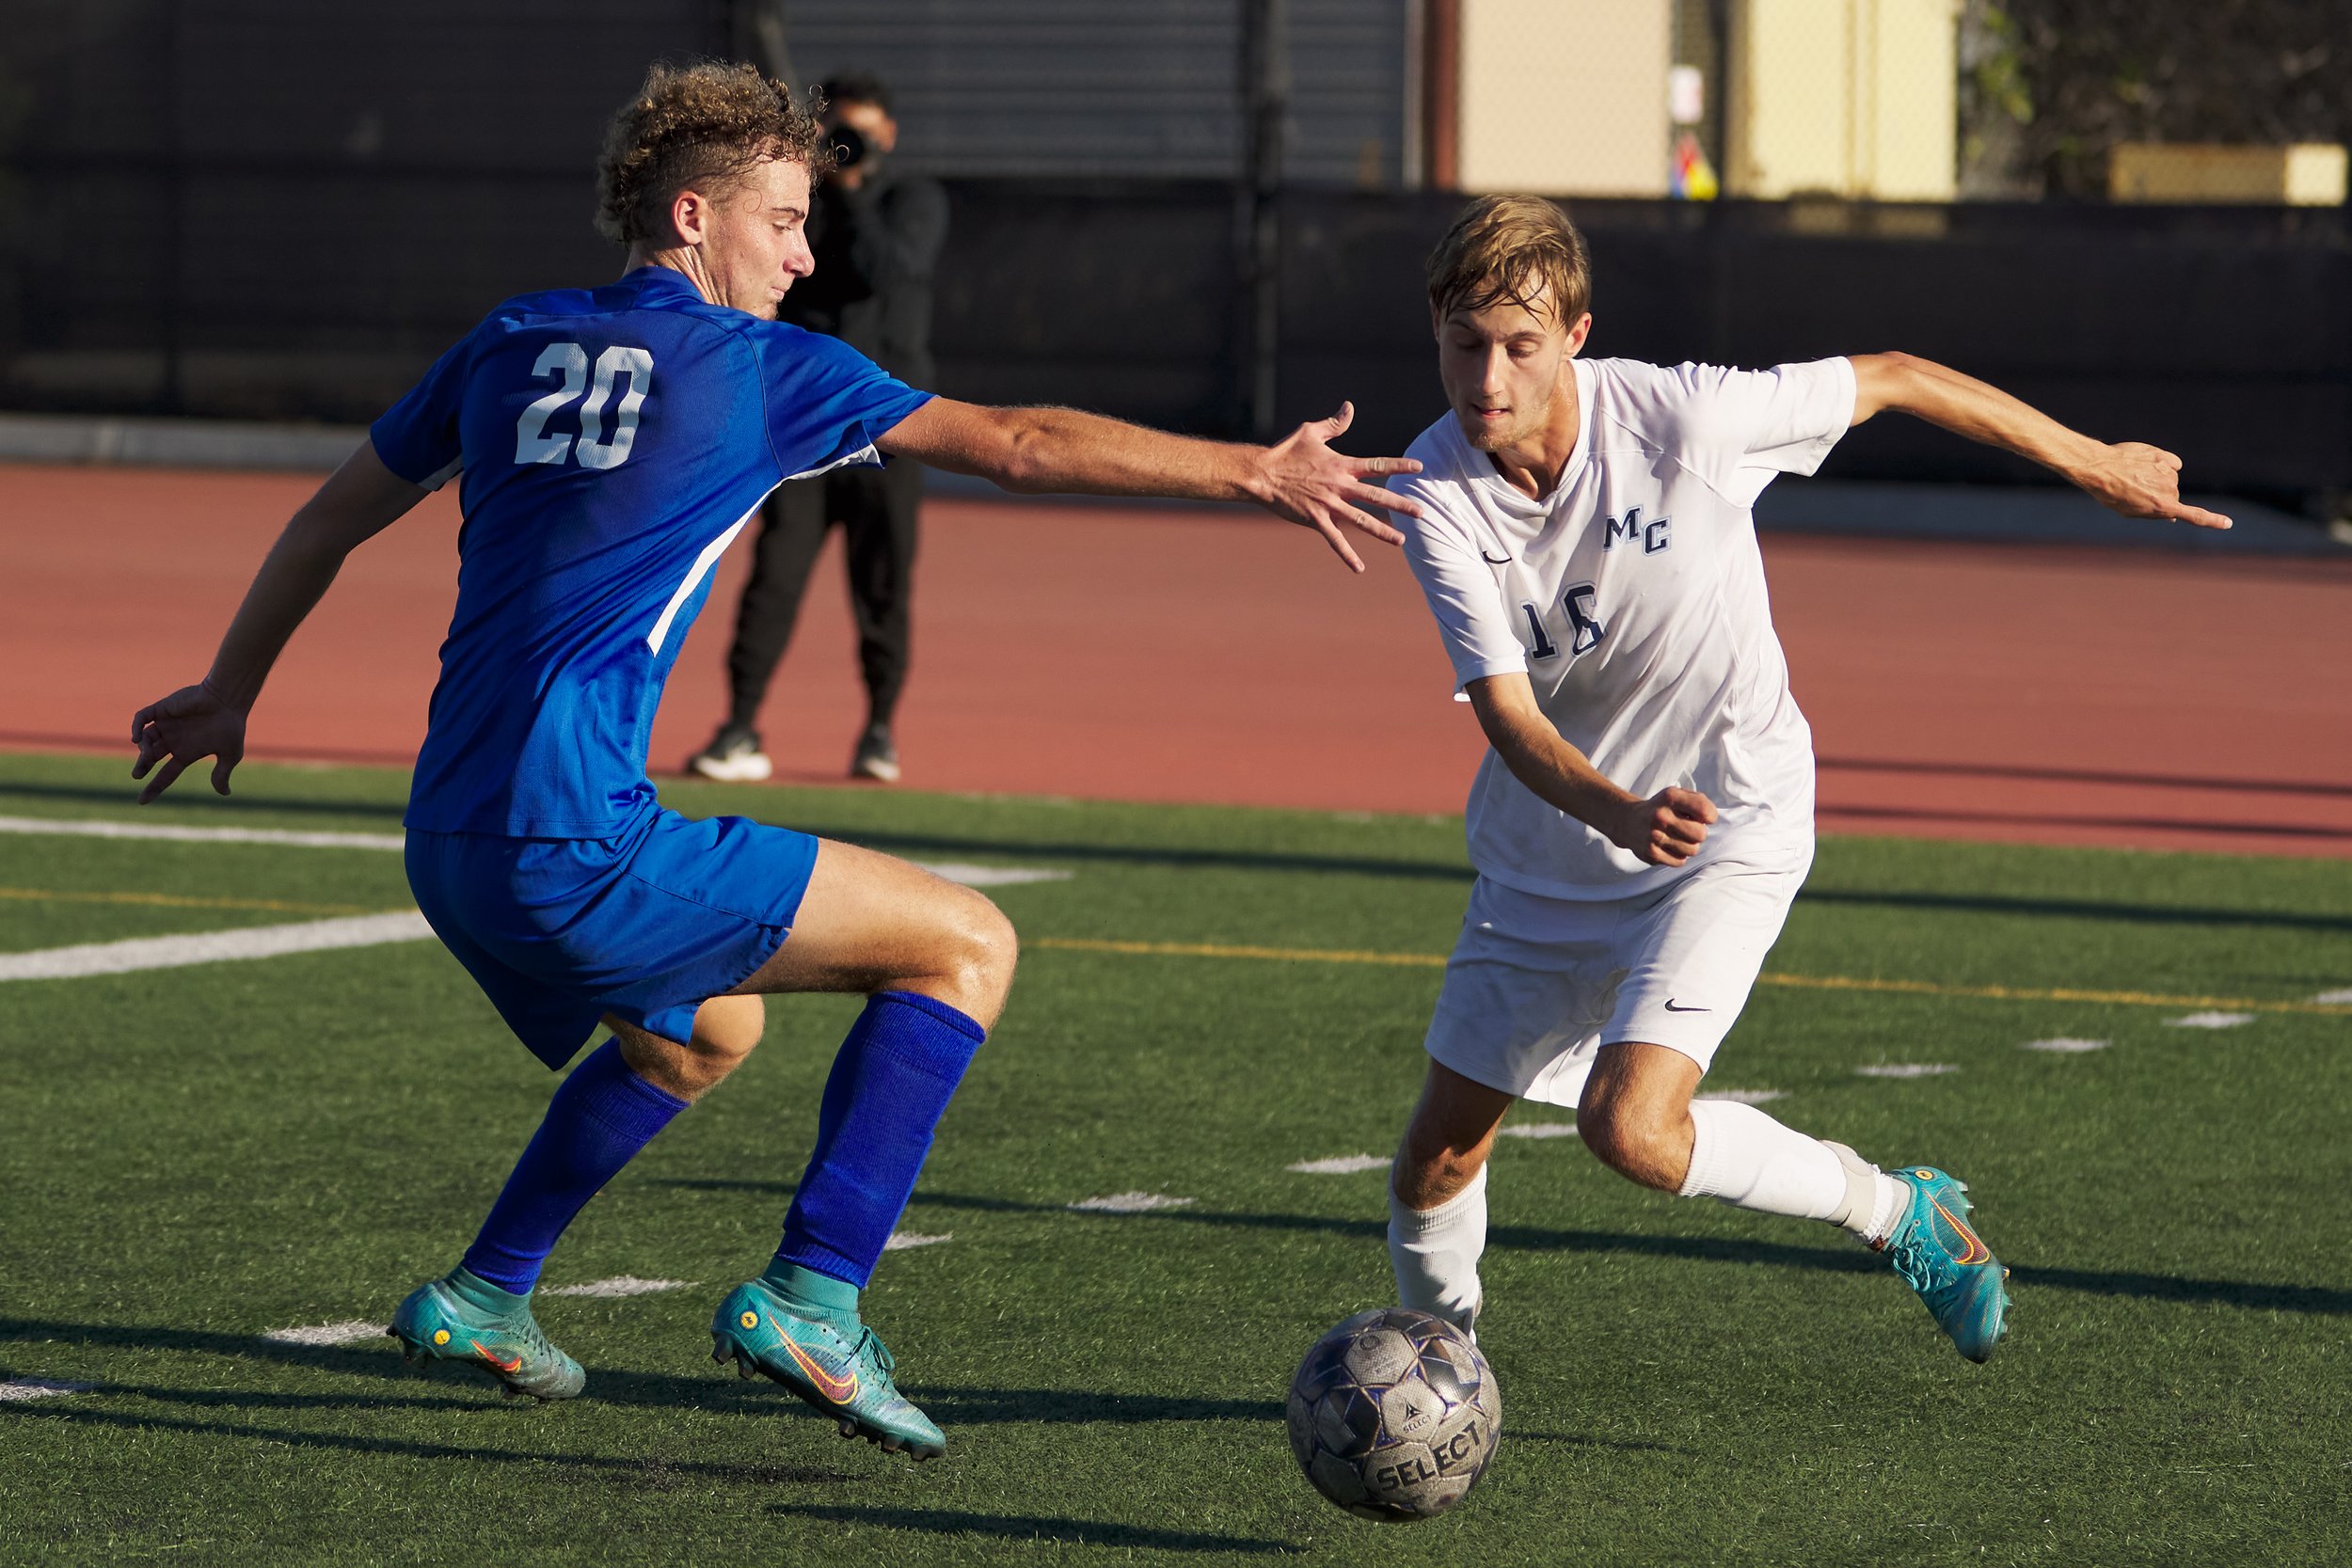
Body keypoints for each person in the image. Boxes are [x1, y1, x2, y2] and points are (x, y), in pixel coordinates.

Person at [129, 60, 1419, 1461]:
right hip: (572, 842)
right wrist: (1254, 471)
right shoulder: (760, 370)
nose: (807, 254)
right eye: (786, 220)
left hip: (445, 837)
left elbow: (325, 520)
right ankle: (816, 1294)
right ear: (694, 217)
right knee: (968, 944)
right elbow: (1022, 446)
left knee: (703, 1029)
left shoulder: (510, 338)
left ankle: (486, 1291)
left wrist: (227, 691)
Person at [1383, 196, 2231, 1365]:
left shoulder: (1684, 415)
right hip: (1556, 850)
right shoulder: (1430, 492)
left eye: (1519, 344)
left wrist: (2093, 462)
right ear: (1435, 328)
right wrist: (1617, 810)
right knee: (1435, 1156)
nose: (1488, 375)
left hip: (1732, 819)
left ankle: (1896, 1210)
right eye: (1464, 341)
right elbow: (1511, 719)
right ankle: (1443, 1369)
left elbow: (1891, 376)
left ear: (1575, 335)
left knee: (1630, 1128)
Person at [688, 71, 946, 785]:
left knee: (883, 584)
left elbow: (885, 271)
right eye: (836, 133)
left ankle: (880, 731)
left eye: (859, 132)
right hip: (800, 430)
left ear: (888, 134)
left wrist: (855, 187)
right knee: (775, 576)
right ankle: (740, 726)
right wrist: (827, 193)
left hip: (891, 430)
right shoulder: (799, 210)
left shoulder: (910, 201)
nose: (847, 145)